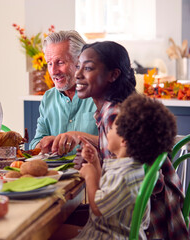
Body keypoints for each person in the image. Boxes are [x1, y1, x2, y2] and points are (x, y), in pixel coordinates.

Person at [57, 41, 188, 239]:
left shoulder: (115, 115)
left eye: (88, 68)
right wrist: (94, 160)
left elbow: (128, 186)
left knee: (51, 225)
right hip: (154, 215)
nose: (78, 74)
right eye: (78, 66)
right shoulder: (118, 109)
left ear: (113, 75)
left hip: (151, 225)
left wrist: (92, 173)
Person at [74, 93, 177, 239]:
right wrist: (95, 163)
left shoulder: (124, 176)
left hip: (107, 235)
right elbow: (103, 191)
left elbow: (98, 208)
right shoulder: (133, 168)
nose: (107, 132)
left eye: (112, 129)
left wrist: (90, 176)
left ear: (124, 141)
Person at [29, 30, 98, 155]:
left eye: (60, 62)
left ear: (80, 61)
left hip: (95, 171)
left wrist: (79, 137)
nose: (53, 71)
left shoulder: (101, 94)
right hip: (57, 173)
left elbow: (119, 144)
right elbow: (35, 143)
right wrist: (45, 145)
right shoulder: (48, 97)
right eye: (49, 63)